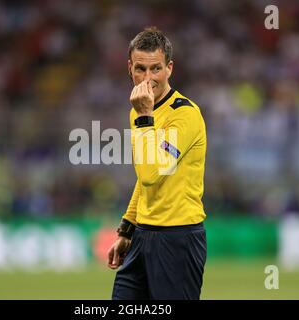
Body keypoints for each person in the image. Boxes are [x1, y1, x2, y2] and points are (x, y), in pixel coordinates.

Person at [107, 27, 207, 300]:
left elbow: (153, 174)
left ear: (169, 68)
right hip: (142, 236)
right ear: (129, 68)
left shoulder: (184, 115)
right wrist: (127, 228)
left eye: (156, 69)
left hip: (178, 239)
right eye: (140, 68)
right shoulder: (140, 111)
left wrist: (144, 117)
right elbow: (143, 179)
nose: (148, 78)